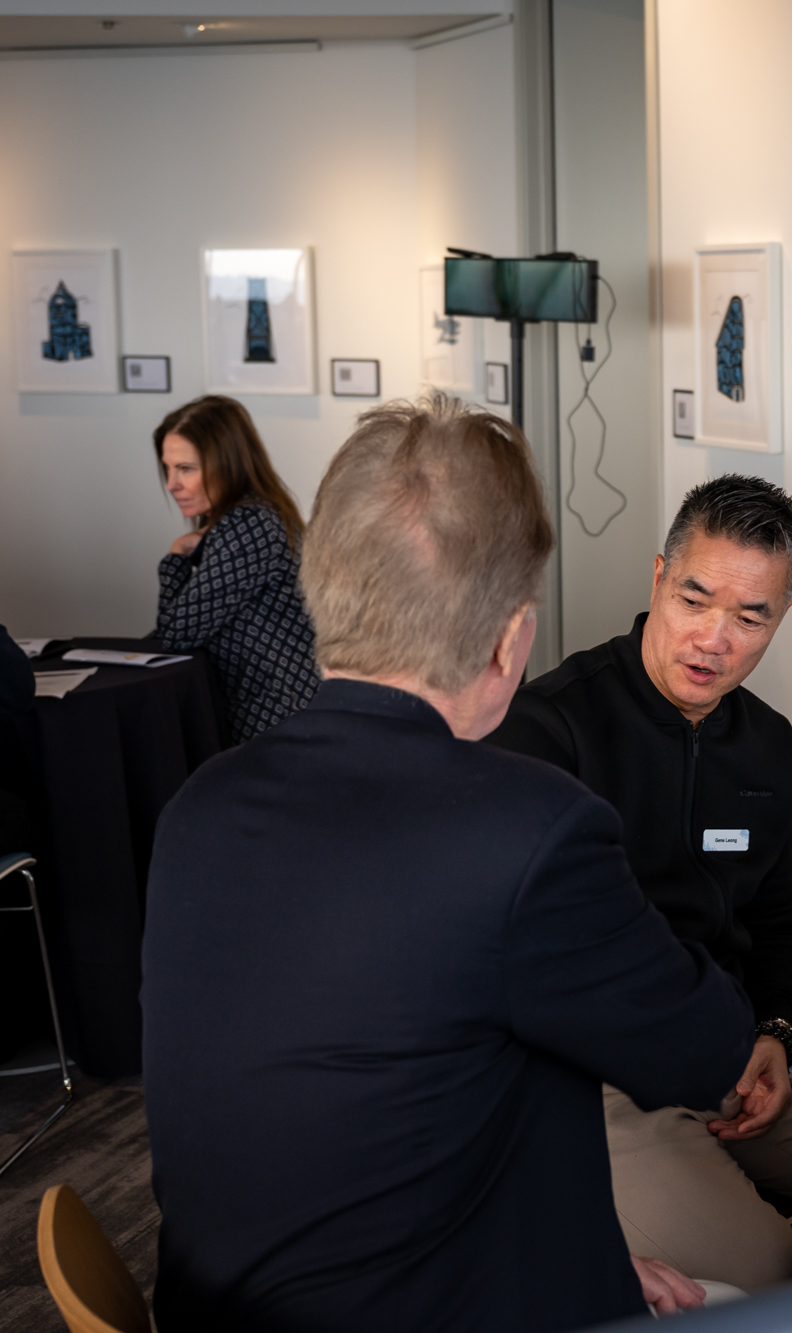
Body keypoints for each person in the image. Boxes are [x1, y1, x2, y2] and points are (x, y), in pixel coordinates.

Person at [143, 393, 751, 1331]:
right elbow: (705, 1051)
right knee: (773, 1295)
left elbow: (352, 1102)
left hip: (225, 1306)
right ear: (512, 639)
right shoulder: (528, 829)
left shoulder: (199, 805)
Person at [487, 474, 792, 1291]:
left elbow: (776, 917)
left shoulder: (766, 743)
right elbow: (508, 960)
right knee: (779, 1275)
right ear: (658, 579)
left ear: (780, 618)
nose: (713, 639)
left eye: (750, 617)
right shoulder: (548, 731)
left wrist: (777, 1035)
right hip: (597, 1081)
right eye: (694, 600)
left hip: (732, 1060)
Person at [152, 395, 319, 743]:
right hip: (274, 715)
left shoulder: (249, 524)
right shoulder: (251, 518)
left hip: (274, 722)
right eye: (168, 468)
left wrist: (176, 556)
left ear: (227, 465)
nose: (171, 484)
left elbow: (176, 634)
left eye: (186, 468)